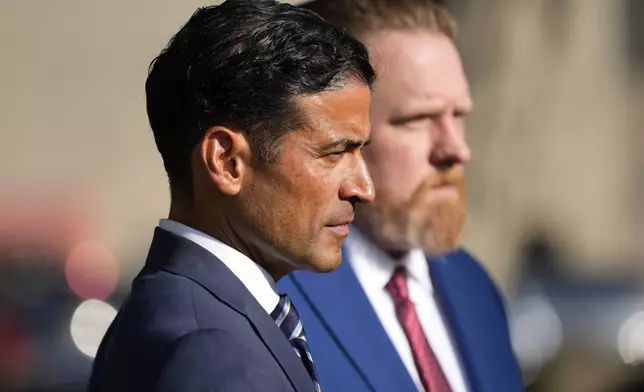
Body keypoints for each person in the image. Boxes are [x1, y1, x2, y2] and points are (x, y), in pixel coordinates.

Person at [88, 0, 375, 391]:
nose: (363, 188)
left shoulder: (194, 317)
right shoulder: (209, 353)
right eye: (334, 152)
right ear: (226, 162)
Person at [277, 1, 524, 391]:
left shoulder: (475, 288)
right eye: (417, 119)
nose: (456, 149)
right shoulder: (273, 305)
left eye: (458, 116)